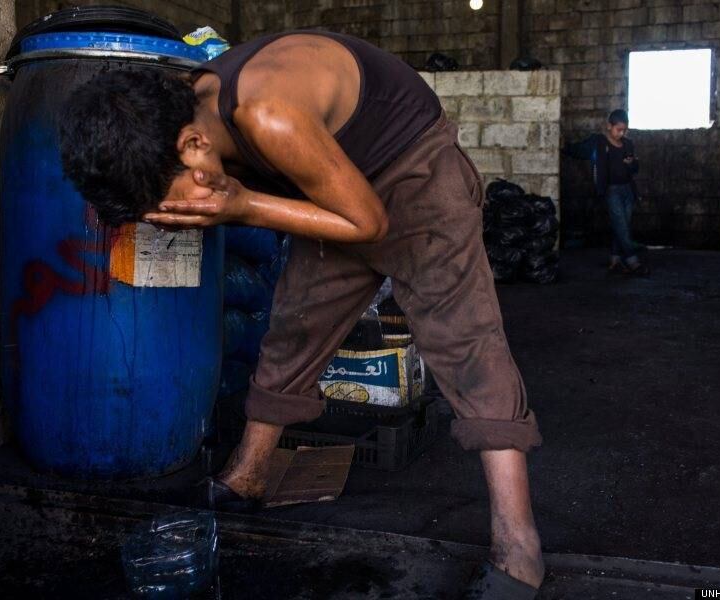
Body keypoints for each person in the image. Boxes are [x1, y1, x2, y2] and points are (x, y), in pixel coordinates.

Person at [59, 31, 544, 598]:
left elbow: (368, 224)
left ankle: (518, 546)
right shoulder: (181, 113)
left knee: (465, 339)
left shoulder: (269, 116)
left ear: (192, 145)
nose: (169, 217)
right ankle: (249, 475)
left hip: (414, 174)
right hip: (330, 181)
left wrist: (241, 204)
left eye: (166, 204)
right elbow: (331, 207)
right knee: (295, 324)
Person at [563, 109, 650, 276]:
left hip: (628, 191)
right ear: (609, 126)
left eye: (624, 130)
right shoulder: (599, 143)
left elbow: (635, 169)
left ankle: (615, 260)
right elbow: (580, 151)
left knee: (621, 226)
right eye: (618, 129)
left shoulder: (628, 144)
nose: (621, 133)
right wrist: (563, 148)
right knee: (622, 226)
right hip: (612, 191)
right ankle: (633, 261)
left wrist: (632, 163)